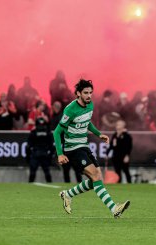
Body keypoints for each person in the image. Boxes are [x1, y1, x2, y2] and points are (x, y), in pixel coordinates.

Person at [53, 79, 130, 219]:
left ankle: (67, 194)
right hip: (73, 149)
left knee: (97, 178)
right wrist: (60, 154)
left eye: (90, 93)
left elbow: (87, 122)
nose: (89, 95)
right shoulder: (70, 109)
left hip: (84, 145)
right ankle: (114, 209)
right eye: (85, 93)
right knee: (95, 176)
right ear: (78, 93)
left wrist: (98, 134)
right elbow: (57, 132)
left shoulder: (90, 105)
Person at [27, 117, 54, 183]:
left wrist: (28, 157)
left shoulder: (33, 133)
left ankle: (30, 187)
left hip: (35, 154)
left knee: (32, 173)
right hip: (45, 154)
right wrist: (50, 157)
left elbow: (28, 147)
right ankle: (50, 186)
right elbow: (52, 147)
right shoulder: (48, 133)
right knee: (47, 172)